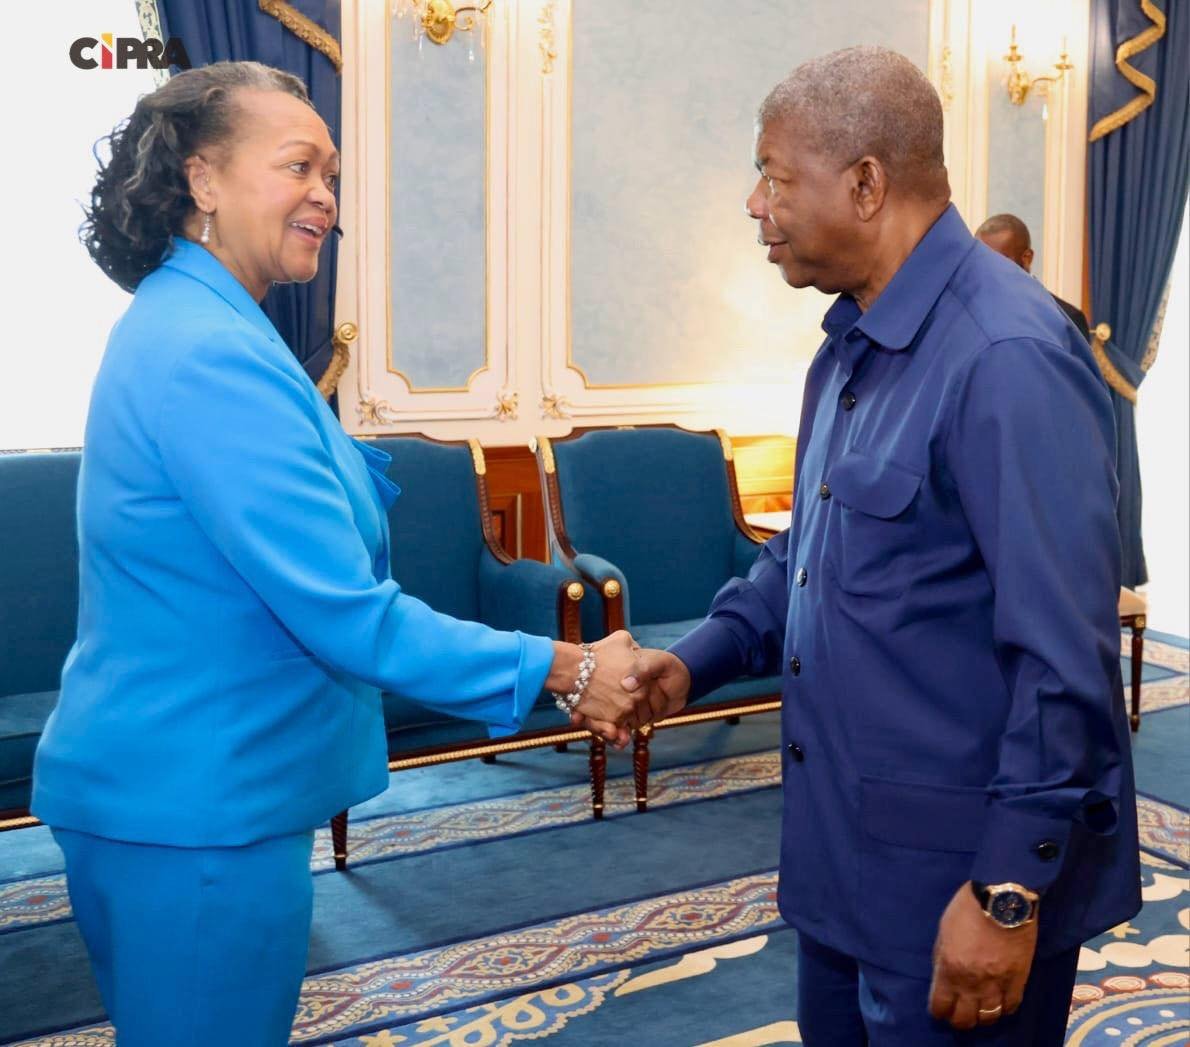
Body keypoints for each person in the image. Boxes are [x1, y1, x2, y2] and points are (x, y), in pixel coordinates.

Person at [33, 61, 643, 1047]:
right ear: (202, 179)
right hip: (195, 807)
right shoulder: (209, 351)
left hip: (185, 793)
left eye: (333, 174)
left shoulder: (205, 321)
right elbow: (348, 614)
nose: (325, 195)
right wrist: (569, 667)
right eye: (298, 166)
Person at [621, 47, 1139, 1045]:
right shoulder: (849, 348)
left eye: (774, 176)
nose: (754, 204)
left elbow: (1062, 658)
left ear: (864, 184)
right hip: (842, 871)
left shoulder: (1006, 356)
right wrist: (691, 664)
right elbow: (804, 559)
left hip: (958, 891)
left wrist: (1006, 890)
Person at [976, 213, 1092, 342]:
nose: (988, 269)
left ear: (1027, 258)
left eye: (998, 261)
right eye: (982, 260)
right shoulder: (969, 312)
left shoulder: (1067, 319)